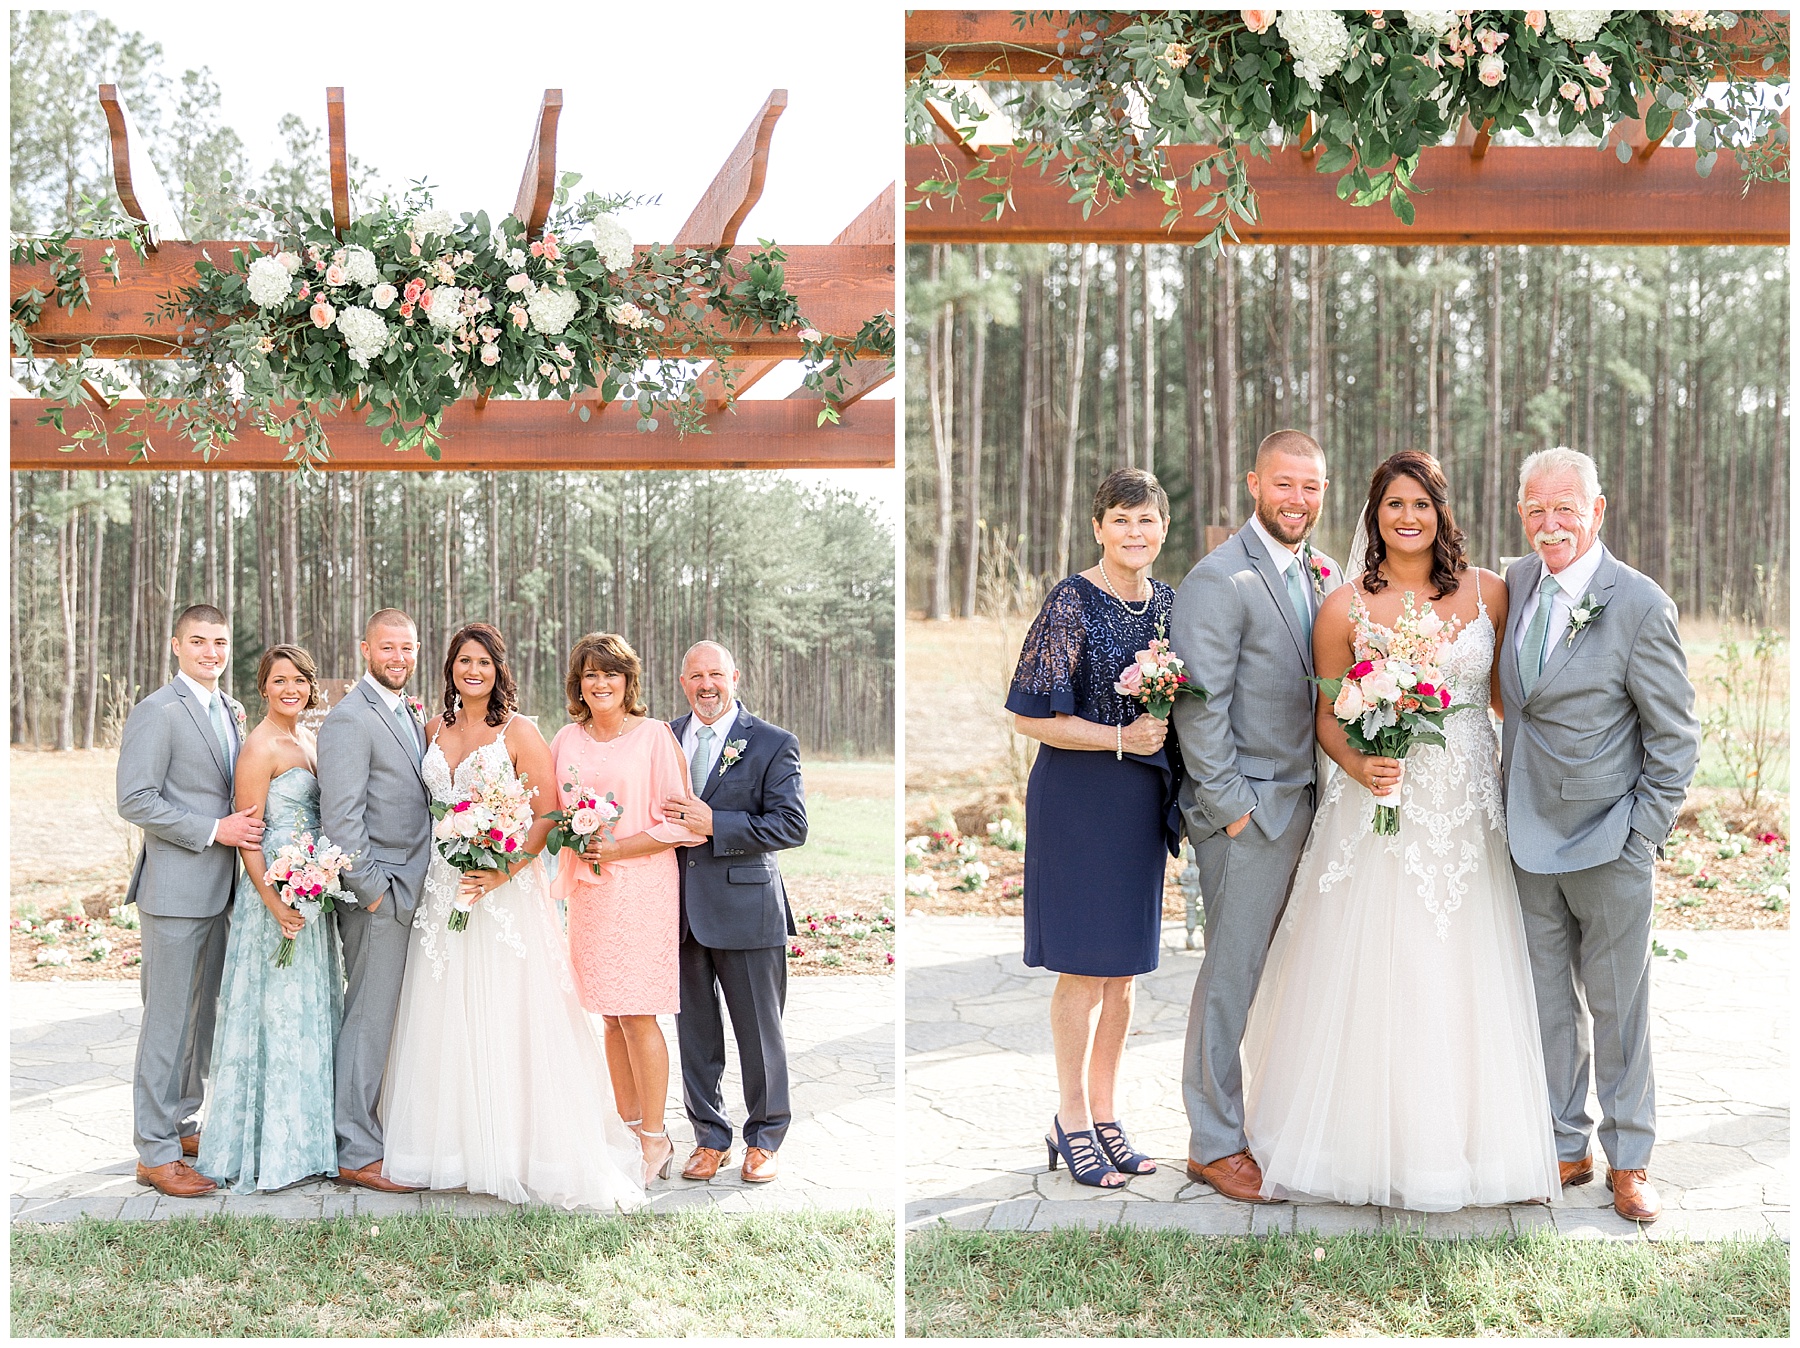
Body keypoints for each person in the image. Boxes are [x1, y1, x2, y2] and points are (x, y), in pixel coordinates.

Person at [1241, 450, 1562, 1210]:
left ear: (1441, 513)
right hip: (1378, 809)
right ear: (1374, 515)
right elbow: (1328, 713)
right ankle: (1357, 1146)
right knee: (1380, 963)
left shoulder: (1489, 592)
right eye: (1394, 505)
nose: (1408, 517)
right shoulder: (1343, 607)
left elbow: (1503, 699)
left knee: (1464, 966)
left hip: (1468, 812)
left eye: (1422, 504)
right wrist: (1360, 766)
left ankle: (1475, 1147)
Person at [1499, 447, 1700, 1224]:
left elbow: (1675, 736)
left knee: (1620, 1009)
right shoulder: (1517, 582)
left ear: (1598, 511)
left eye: (1565, 509)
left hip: (1610, 839)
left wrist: (1642, 835)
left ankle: (1631, 1158)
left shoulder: (1640, 603)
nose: (1550, 525)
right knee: (1547, 1002)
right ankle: (1565, 1144)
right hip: (1526, 836)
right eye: (1536, 510)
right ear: (1522, 512)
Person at [380, 623, 643, 1209]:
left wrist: (504, 870)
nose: (473, 671)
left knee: (507, 1009)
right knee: (441, 1012)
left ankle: (518, 1150)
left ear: (499, 671)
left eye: (484, 662)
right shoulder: (432, 729)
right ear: (450, 669)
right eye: (463, 661)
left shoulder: (520, 732)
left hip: (504, 891)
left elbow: (546, 816)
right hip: (443, 888)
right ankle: (449, 1150)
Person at [1169, 430, 1343, 1203]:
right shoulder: (1220, 578)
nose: (1296, 500)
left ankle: (1267, 1120)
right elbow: (1199, 710)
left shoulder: (1321, 573)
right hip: (1250, 817)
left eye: (1310, 486)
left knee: (1288, 979)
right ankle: (1212, 1142)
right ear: (1253, 484)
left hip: (1312, 808)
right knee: (1230, 979)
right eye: (1283, 484)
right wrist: (1234, 811)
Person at [1005, 468, 1181, 1189]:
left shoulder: (1169, 605)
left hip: (1141, 803)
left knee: (1125, 971)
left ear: (1163, 529)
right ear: (1098, 528)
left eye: (1147, 520)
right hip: (1078, 800)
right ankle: (1070, 1118)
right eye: (1122, 520)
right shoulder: (1071, 602)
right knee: (1083, 968)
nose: (1135, 532)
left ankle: (1107, 1114)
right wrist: (1119, 739)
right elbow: (1027, 718)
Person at [116, 603, 263, 1198]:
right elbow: (135, 798)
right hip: (176, 891)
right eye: (198, 641)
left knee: (201, 1021)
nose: (211, 652)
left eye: (219, 642)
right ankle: (154, 1152)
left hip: (222, 890)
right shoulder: (157, 711)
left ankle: (180, 1126)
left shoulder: (230, 709)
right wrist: (213, 830)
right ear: (176, 646)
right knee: (167, 1022)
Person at [547, 633, 703, 1186]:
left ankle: (657, 1136)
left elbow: (681, 821)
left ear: (628, 680)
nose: (601, 683)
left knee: (638, 1013)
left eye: (610, 673)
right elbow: (550, 809)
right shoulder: (565, 739)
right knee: (609, 1015)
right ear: (578, 684)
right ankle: (627, 1130)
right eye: (590, 674)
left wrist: (617, 848)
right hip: (590, 889)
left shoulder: (656, 736)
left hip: (641, 887)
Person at [198, 644, 344, 1193]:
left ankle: (309, 1141)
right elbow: (249, 839)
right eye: (279, 680)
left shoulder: (309, 739)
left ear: (310, 686)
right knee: (275, 1015)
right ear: (263, 687)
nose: (290, 689)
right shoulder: (258, 747)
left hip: (312, 890)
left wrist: (317, 881)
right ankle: (271, 1148)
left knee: (308, 1012)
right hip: (275, 896)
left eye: (299, 680)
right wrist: (275, 902)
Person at [666, 641, 808, 1185]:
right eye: (696, 676)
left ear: (735, 677)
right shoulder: (663, 739)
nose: (707, 685)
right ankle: (709, 1138)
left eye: (716, 675)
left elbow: (791, 825)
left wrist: (716, 824)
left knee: (760, 1035)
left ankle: (765, 1140)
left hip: (748, 908)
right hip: (679, 910)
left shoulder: (772, 743)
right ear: (683, 681)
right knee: (695, 1034)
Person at [317, 608, 433, 1195]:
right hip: (380, 896)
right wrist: (373, 893)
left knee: (387, 1017)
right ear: (365, 649)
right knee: (367, 1016)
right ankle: (356, 1150)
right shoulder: (348, 719)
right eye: (388, 647)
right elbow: (341, 819)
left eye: (407, 648)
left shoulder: (407, 712)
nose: (398, 658)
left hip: (415, 889)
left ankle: (377, 1128)